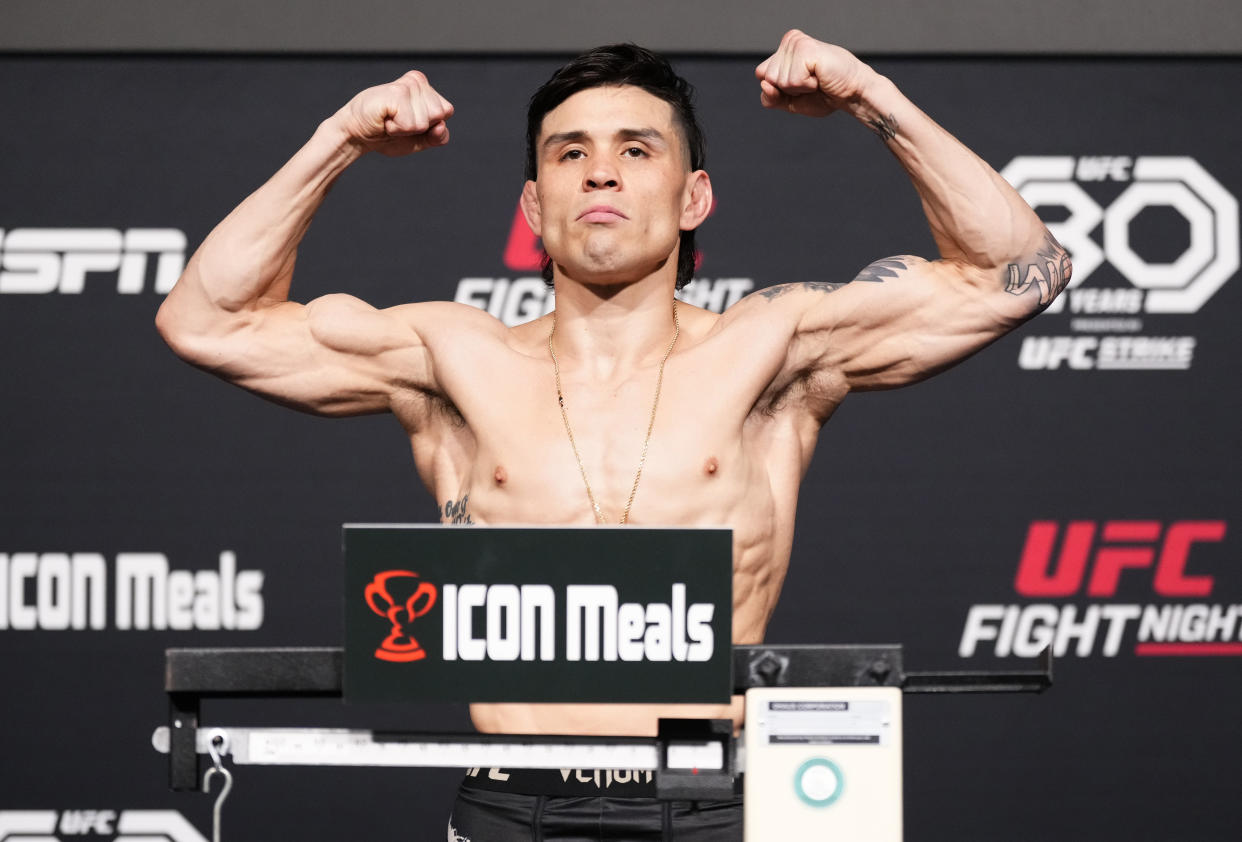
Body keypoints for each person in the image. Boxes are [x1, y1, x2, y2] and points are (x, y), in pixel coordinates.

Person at [156, 28, 1070, 842]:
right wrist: (340, 137)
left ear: (693, 197)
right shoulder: (449, 357)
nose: (601, 172)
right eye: (570, 152)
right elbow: (208, 321)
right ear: (531, 204)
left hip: (716, 799)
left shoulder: (773, 349)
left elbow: (1017, 271)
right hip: (515, 802)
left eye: (637, 150)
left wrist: (870, 92)